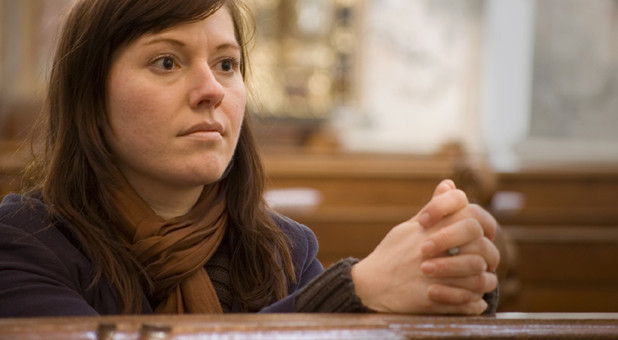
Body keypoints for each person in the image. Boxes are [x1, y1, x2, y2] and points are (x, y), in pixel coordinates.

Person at [0, 0, 500, 317]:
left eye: (226, 64)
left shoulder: (285, 248)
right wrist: (353, 294)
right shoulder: (24, 241)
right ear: (90, 95)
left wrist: (449, 287)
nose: (211, 90)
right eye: (167, 61)